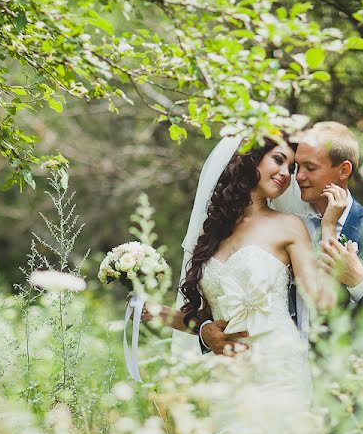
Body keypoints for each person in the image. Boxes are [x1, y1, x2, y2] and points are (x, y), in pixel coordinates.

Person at [196, 122, 363, 355]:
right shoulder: (280, 221)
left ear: (344, 170)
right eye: (298, 166)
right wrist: (205, 329)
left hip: (343, 382)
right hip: (271, 366)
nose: (298, 177)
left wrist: (359, 281)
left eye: (310, 167)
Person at [143, 133, 346, 359]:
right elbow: (209, 316)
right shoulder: (213, 230)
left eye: (291, 169)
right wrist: (155, 312)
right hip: (226, 371)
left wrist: (329, 227)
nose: (285, 174)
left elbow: (322, 300)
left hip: (278, 364)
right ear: (252, 157)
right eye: (278, 160)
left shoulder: (289, 226)